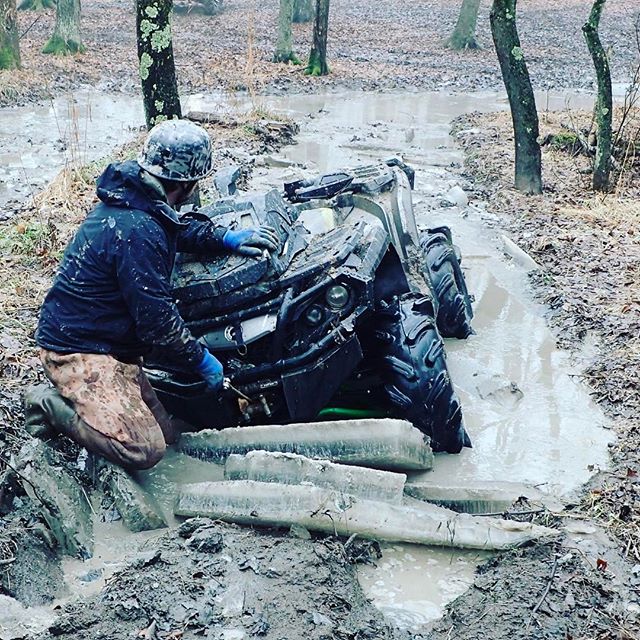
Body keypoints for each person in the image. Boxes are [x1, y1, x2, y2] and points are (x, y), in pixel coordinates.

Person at [24, 119, 279, 470]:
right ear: (187, 182)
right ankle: (49, 405)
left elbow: (174, 227)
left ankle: (96, 407)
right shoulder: (136, 232)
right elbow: (158, 321)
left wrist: (223, 237)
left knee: (168, 435)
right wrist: (199, 359)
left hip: (113, 343)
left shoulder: (138, 198)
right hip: (79, 350)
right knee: (143, 450)